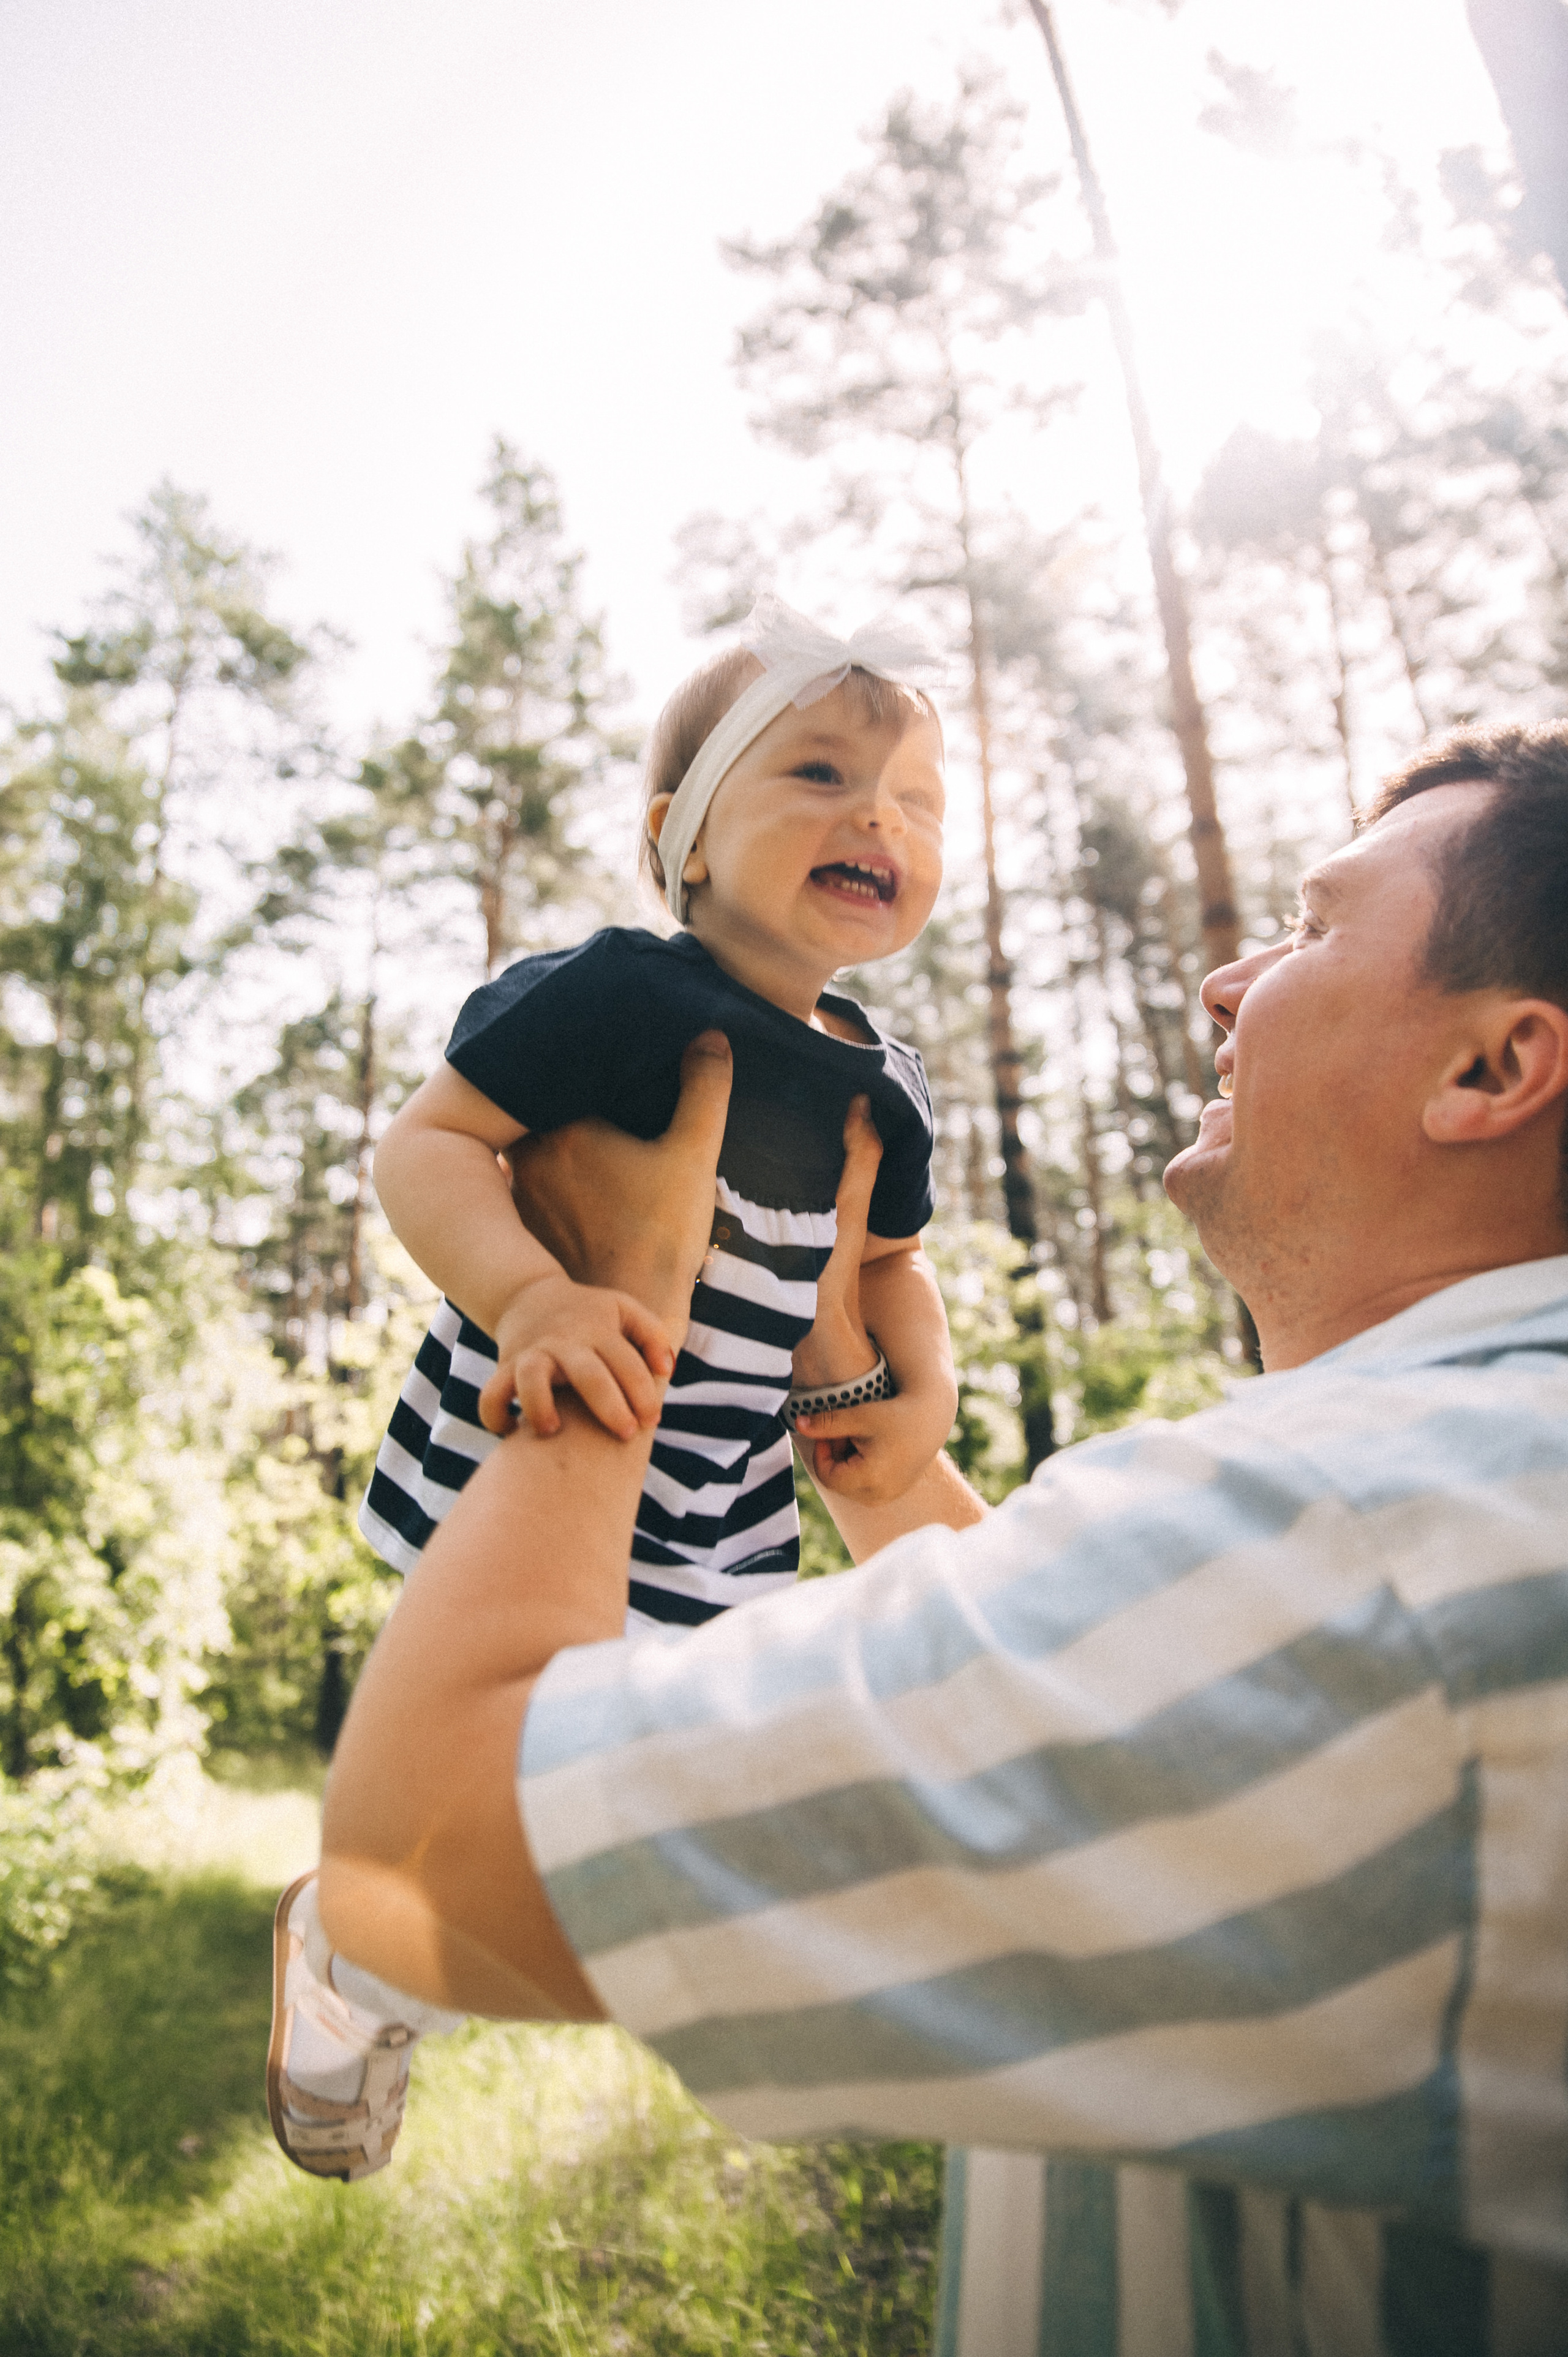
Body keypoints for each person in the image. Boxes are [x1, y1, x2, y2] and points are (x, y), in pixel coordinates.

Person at [312, 722, 1568, 2353]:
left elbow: (422, 1860)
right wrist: (855, 1395)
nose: (1228, 982)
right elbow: (1107, 1709)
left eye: (1317, 929)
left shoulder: (1357, 1541)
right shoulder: (1464, 1508)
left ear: (1493, 1070)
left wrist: (618, 1303)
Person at [266, 595, 961, 2181]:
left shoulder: (887, 1084)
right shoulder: (604, 997)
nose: (881, 816)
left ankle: (380, 1956)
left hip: (714, 1506)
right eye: (821, 774)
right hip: (527, 1454)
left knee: (623, 1827)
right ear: (683, 837)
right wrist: (535, 1295)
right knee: (476, 1811)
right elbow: (429, 1149)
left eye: (920, 800)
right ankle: (347, 1952)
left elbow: (892, 1268)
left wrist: (916, 1387)